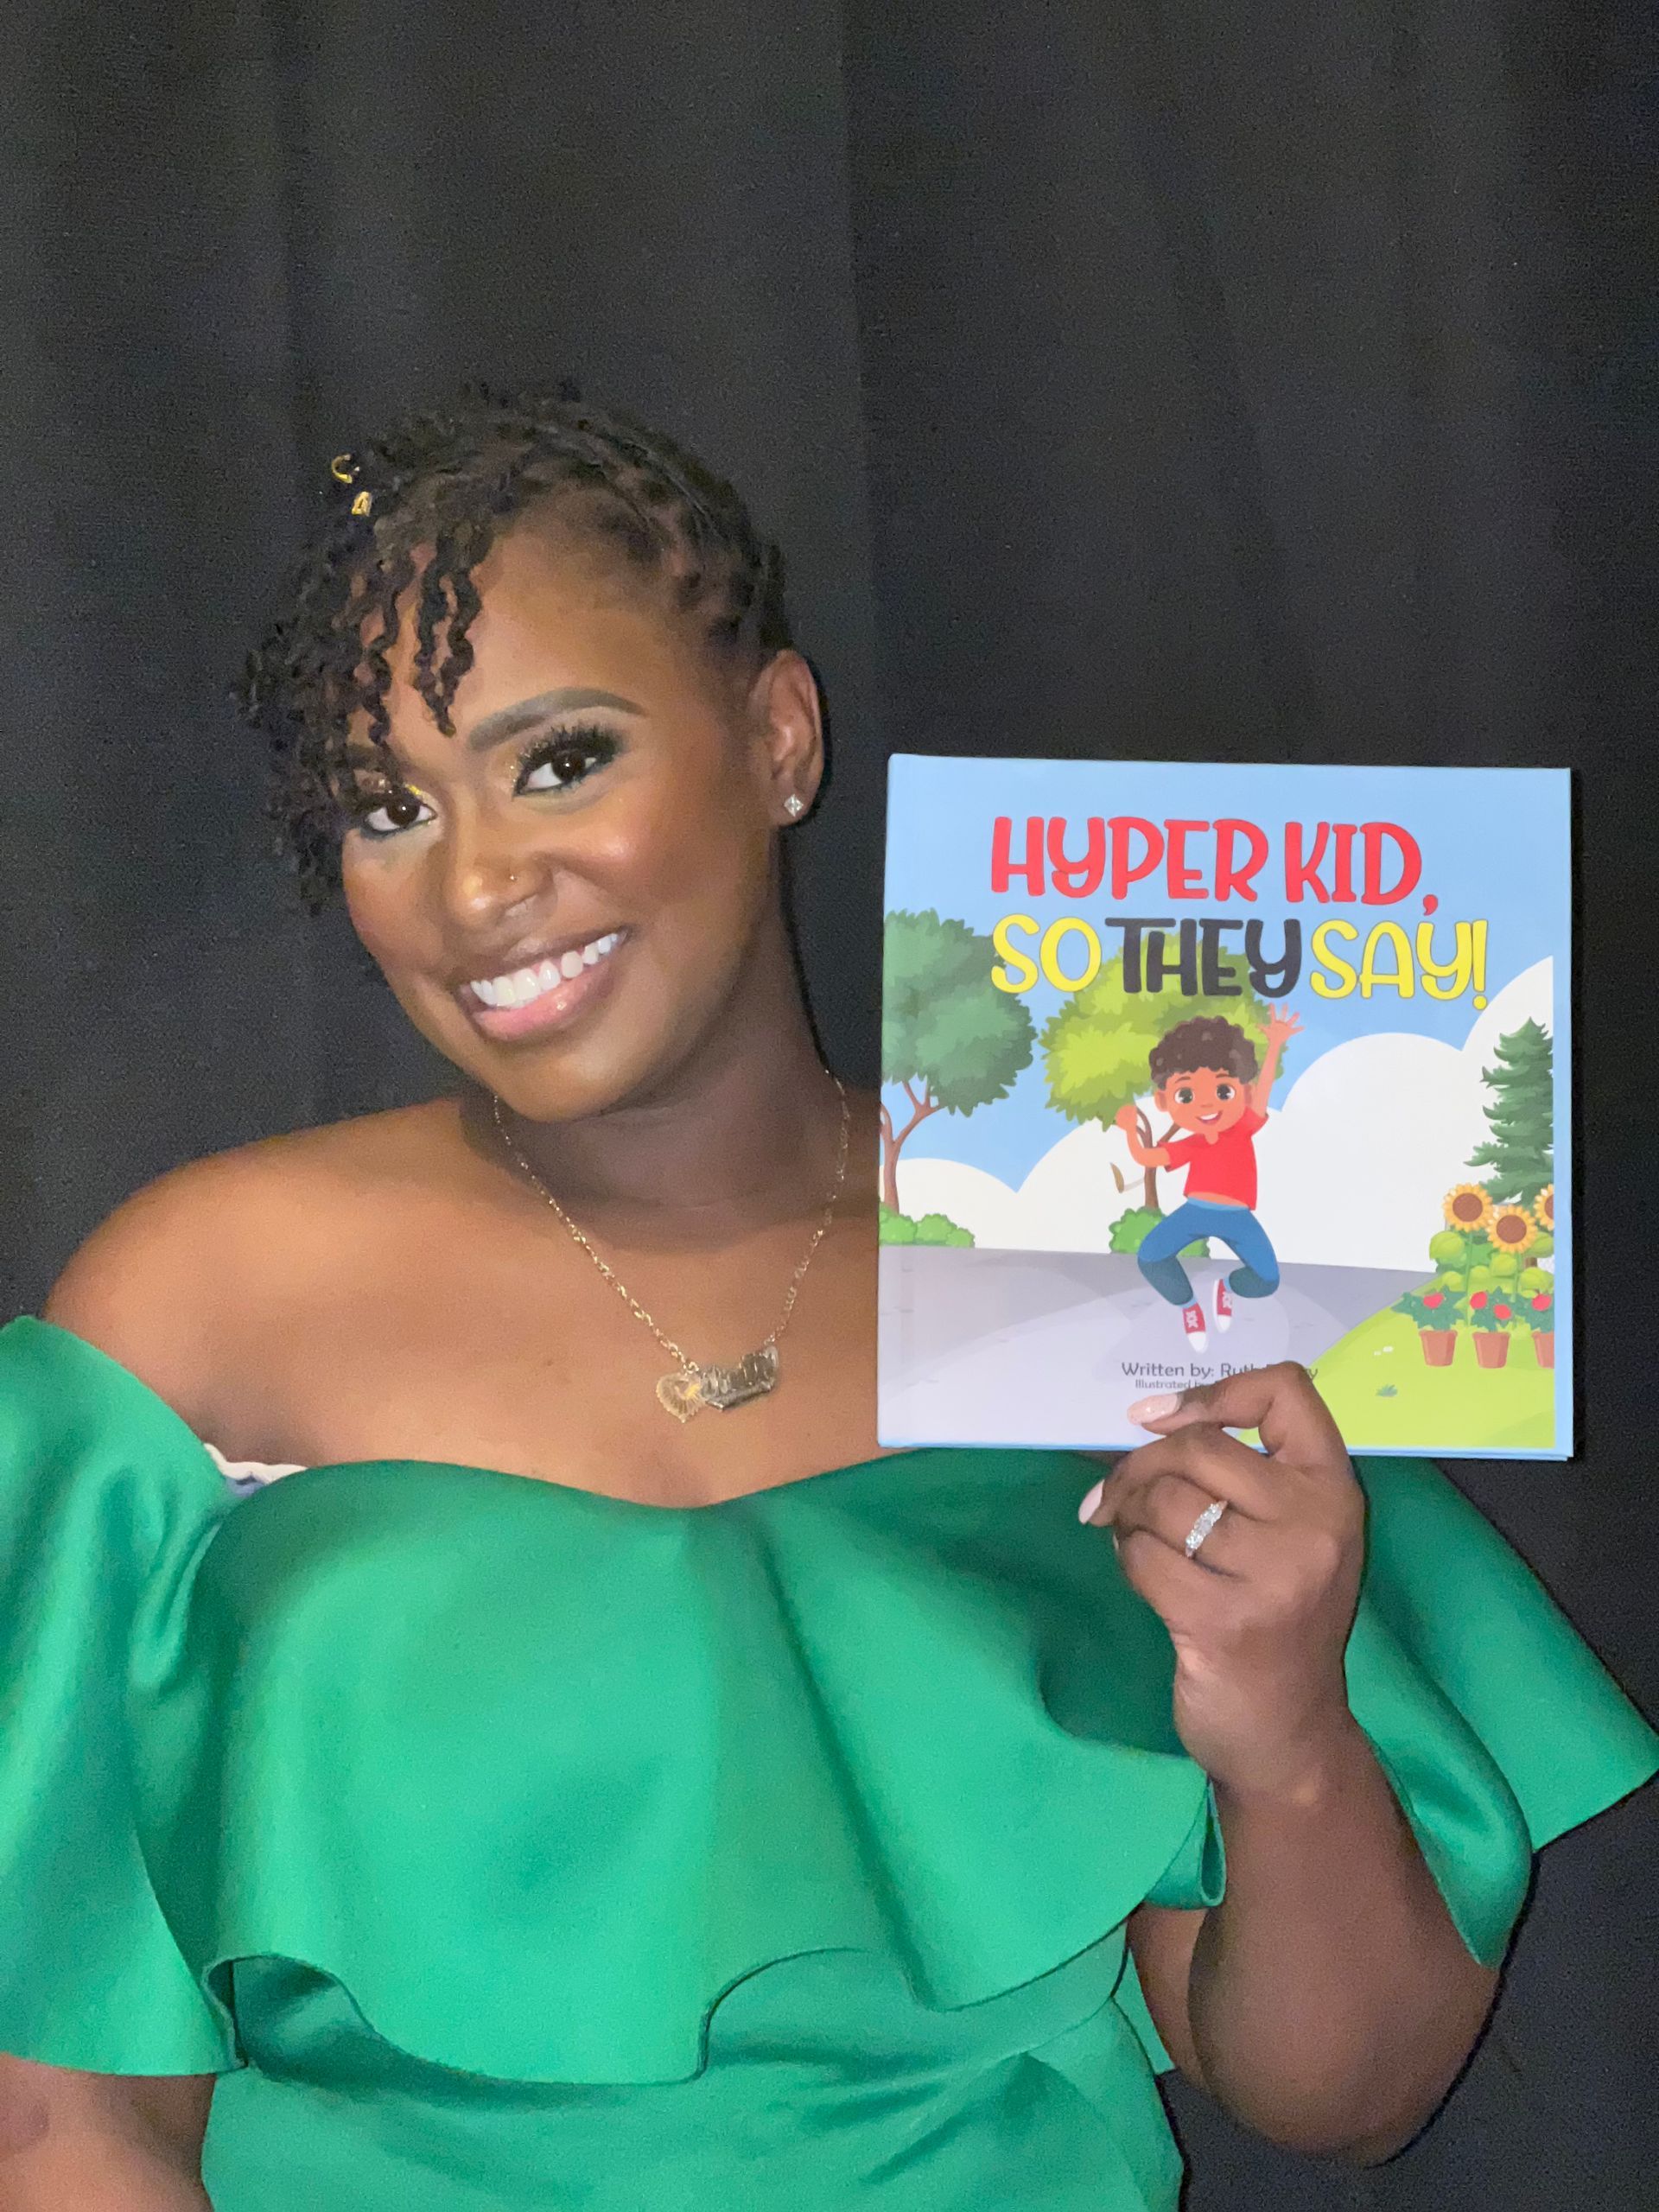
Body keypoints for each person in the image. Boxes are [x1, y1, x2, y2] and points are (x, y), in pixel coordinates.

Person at [0, 389, 1652, 2212]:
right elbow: (61, 2110)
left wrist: (1282, 1728)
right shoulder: (197, 1298)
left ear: (779, 734)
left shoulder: (1109, 1254)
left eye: (562, 759)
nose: (478, 884)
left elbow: (1342, 2093)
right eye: (391, 808)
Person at [1116, 1009, 1298, 1351]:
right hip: (1196, 1212)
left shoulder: (1244, 1126)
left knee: (1267, 1278)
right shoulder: (1191, 1143)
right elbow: (1147, 1158)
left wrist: (1274, 1045)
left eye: (1223, 1091)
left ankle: (1225, 1289)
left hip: (1237, 1217)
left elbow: (1266, 1090)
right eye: (1186, 1095)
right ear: (1164, 1101)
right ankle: (1189, 1307)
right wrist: (1129, 1131)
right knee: (1151, 1256)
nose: (1205, 1103)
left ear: (1243, 1093)